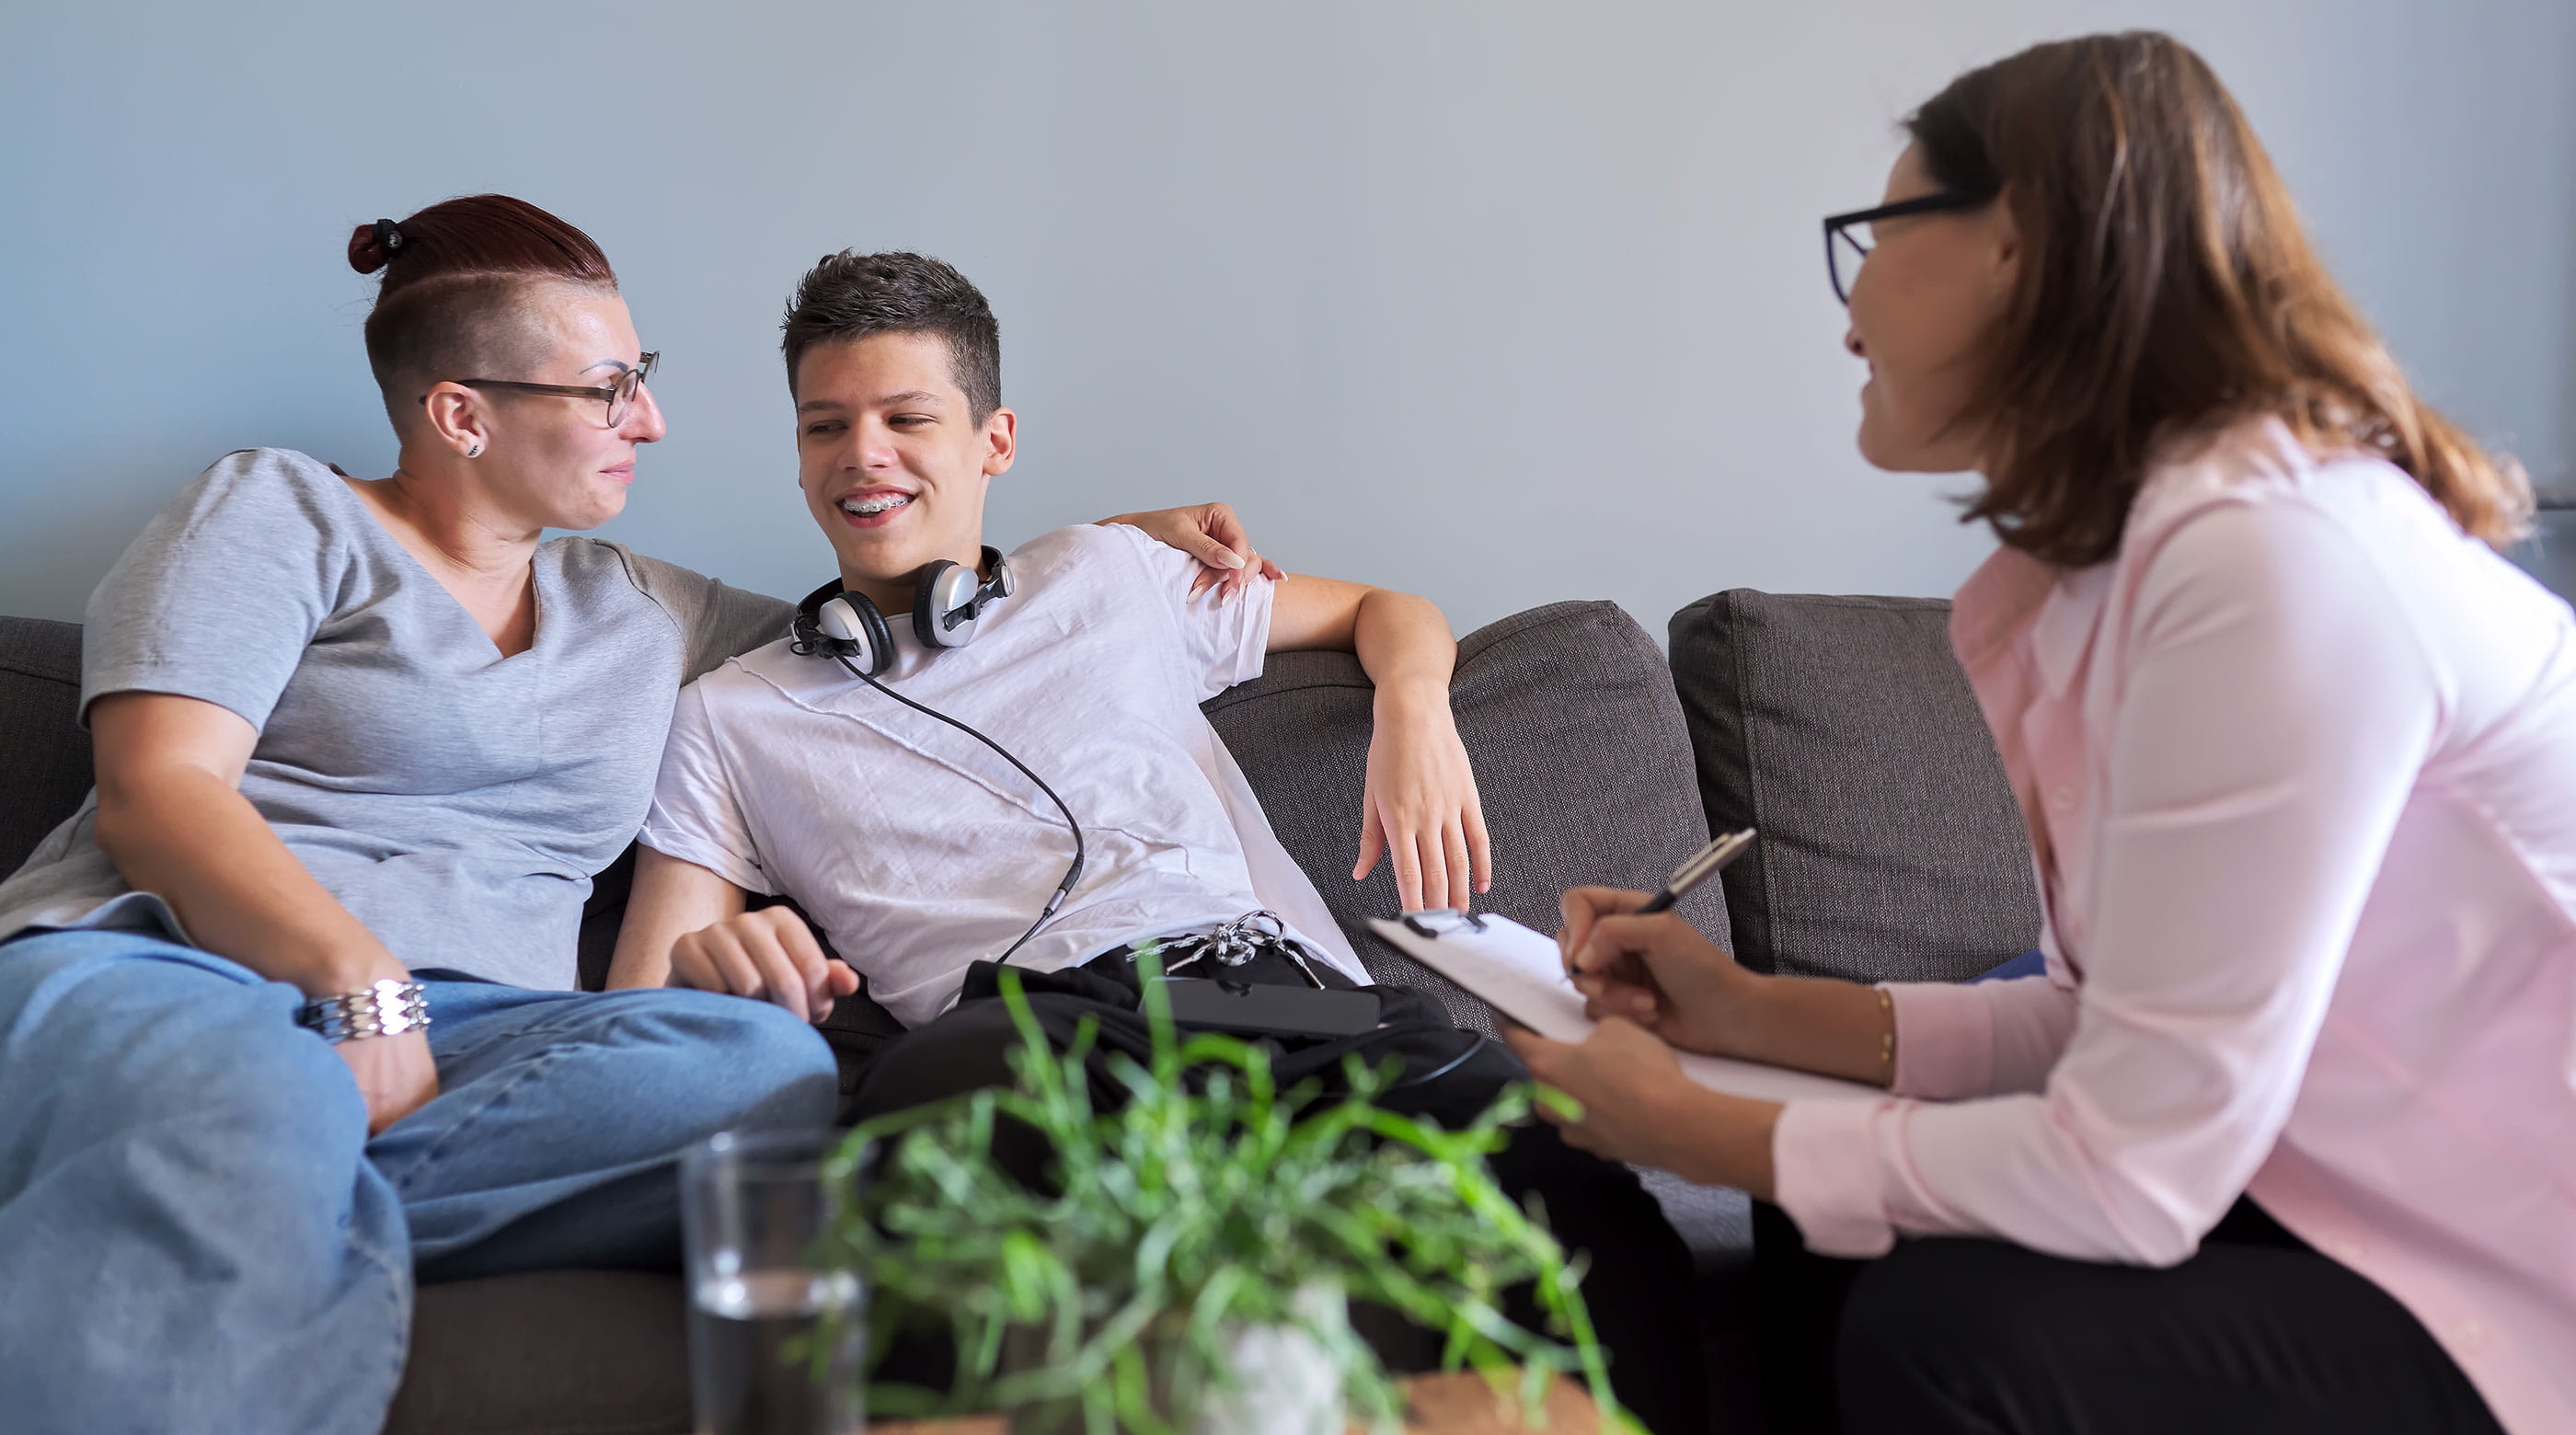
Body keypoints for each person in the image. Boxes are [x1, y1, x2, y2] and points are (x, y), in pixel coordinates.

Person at [0, 194, 1269, 1435]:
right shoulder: (279, 510)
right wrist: (358, 983)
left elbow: (906, 612)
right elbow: (160, 793)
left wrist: (1108, 555)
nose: (650, 422)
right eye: (609, 390)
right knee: (270, 1093)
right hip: (184, 970)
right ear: (462, 415)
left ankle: (197, 1199)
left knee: (764, 1072)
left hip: (485, 1041)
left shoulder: (646, 610)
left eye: (641, 379)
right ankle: (228, 1168)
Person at [1502, 30, 2568, 1435]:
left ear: (2014, 244)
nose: (1849, 312)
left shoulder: (2273, 563)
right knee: (1862, 1225)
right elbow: (2101, 1024)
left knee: (1957, 1333)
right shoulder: (2116, 578)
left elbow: (2134, 1166)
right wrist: (1748, 1013)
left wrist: (1690, 1126)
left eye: (1877, 234)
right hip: (2356, 1203)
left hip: (2520, 1277)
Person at [606, 249, 1708, 1430]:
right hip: (1029, 1035)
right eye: (825, 426)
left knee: (1580, 1215)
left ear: (994, 440)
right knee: (920, 1164)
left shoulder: (1107, 570)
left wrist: (1415, 709)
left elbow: (1387, 610)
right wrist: (718, 972)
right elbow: (634, 1016)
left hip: (1291, 999)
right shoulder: (731, 717)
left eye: (905, 418)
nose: (861, 454)